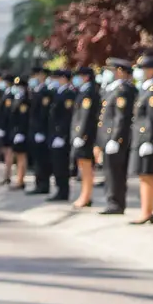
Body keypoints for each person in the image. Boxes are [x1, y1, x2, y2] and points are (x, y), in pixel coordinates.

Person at [97, 58, 135, 215]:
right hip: (107, 137)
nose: (110, 74)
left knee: (116, 172)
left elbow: (121, 117)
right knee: (109, 171)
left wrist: (115, 138)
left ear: (120, 71)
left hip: (116, 138)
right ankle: (112, 200)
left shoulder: (123, 90)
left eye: (112, 71)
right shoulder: (112, 89)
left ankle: (116, 203)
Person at [131, 52, 153, 225]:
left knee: (147, 175)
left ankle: (147, 212)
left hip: (148, 140)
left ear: (152, 70)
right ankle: (145, 210)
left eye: (144, 68)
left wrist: (148, 139)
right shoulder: (145, 89)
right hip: (141, 139)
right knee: (143, 175)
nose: (140, 72)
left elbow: (152, 118)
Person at [70, 66, 99, 208]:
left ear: (86, 77)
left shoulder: (89, 92)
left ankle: (86, 196)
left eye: (79, 76)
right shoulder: (83, 90)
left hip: (85, 136)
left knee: (86, 167)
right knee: (82, 165)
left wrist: (81, 135)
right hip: (80, 134)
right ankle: (84, 194)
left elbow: (86, 117)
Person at [45, 69, 73, 202]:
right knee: (56, 165)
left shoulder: (69, 94)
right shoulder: (57, 92)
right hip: (54, 134)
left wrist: (61, 135)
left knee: (62, 165)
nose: (54, 81)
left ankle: (63, 191)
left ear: (63, 78)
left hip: (61, 136)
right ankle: (59, 189)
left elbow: (66, 117)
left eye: (56, 78)